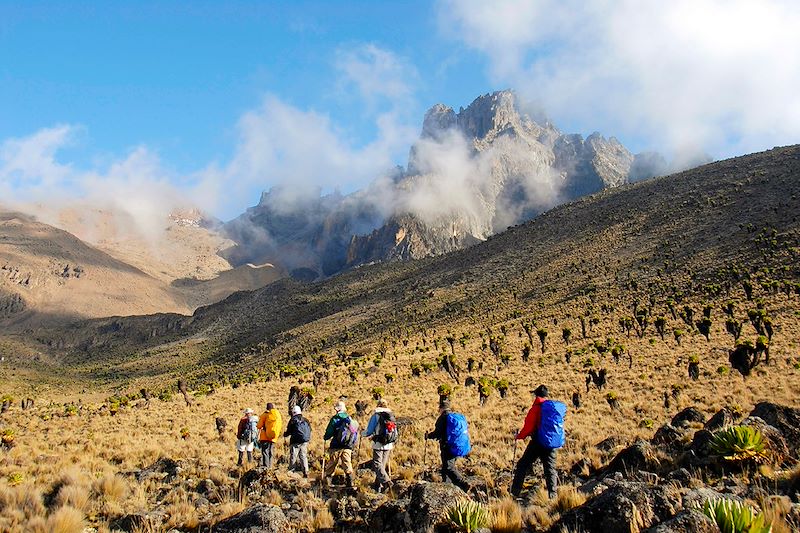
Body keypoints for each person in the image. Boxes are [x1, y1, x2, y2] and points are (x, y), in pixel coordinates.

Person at [511, 384, 559, 499]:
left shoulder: (536, 408)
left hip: (537, 442)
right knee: (550, 469)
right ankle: (553, 496)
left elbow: (529, 427)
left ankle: (515, 492)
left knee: (522, 465)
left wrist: (519, 436)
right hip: (550, 442)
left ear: (536, 395)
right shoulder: (552, 409)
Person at [425, 401, 470, 491]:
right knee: (447, 466)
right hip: (457, 445)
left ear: (441, 408)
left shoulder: (443, 418)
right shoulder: (455, 417)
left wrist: (428, 436)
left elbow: (437, 433)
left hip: (448, 446)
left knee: (449, 467)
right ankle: (447, 486)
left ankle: (463, 484)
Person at [363, 399, 397, 493]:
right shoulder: (391, 416)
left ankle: (386, 482)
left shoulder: (376, 416)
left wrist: (362, 433)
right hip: (389, 444)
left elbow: (369, 431)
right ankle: (378, 486)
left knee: (377, 464)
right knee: (382, 465)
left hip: (378, 443)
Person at [323, 400, 358, 488]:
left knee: (332, 463)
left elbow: (329, 432)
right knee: (347, 463)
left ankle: (328, 482)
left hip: (336, 445)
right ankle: (350, 482)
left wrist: (326, 437)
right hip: (347, 446)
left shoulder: (335, 418)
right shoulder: (349, 419)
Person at [284, 405, 311, 477]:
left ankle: (291, 471)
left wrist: (285, 434)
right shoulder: (306, 420)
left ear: (293, 412)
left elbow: (289, 431)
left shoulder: (293, 420)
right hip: (305, 441)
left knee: (293, 456)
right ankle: (306, 471)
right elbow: (310, 430)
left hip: (295, 441)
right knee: (303, 456)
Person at [257, 402, 283, 469]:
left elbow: (259, 426)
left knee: (265, 451)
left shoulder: (264, 415)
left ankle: (266, 466)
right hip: (273, 437)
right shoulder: (276, 414)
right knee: (271, 451)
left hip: (264, 437)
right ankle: (270, 466)